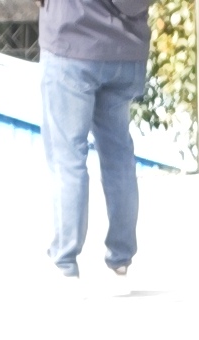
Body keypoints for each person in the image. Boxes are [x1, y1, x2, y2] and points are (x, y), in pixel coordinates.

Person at [37, 0, 149, 288]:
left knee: (68, 157)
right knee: (118, 156)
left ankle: (64, 263)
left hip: (70, 42)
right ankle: (121, 260)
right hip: (125, 50)